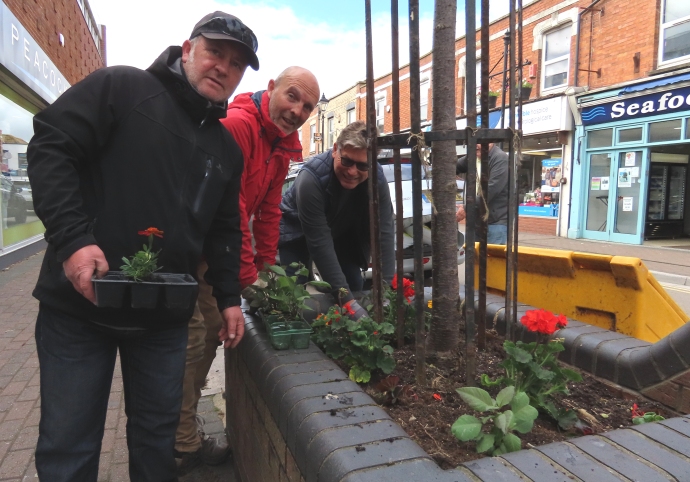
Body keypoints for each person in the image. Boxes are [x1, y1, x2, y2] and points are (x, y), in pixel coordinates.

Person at [26, 11, 258, 481]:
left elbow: (224, 229)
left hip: (163, 320)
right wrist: (72, 240)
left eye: (236, 64)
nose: (223, 68)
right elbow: (52, 146)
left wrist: (230, 298)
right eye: (215, 52)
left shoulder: (225, 148)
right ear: (188, 49)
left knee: (157, 442)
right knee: (68, 443)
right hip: (79, 308)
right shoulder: (122, 88)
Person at [174, 66, 320, 472]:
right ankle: (176, 440)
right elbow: (233, 211)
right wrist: (244, 279)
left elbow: (269, 211)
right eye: (292, 96)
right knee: (194, 340)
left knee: (205, 338)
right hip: (194, 252)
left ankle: (178, 431)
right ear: (270, 87)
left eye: (307, 106)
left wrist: (267, 269)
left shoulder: (282, 144)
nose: (298, 110)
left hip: (213, 254)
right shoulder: (239, 126)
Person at [279, 121, 395, 317]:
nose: (352, 171)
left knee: (352, 285)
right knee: (294, 295)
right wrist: (347, 302)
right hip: (295, 231)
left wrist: (385, 292)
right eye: (347, 161)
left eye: (363, 165)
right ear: (335, 150)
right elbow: (319, 241)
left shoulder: (377, 179)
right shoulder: (311, 179)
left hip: (341, 231)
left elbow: (384, 230)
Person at [455, 143, 509, 244]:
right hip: (476, 220)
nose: (475, 145)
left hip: (494, 222)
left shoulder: (500, 158)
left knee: (491, 258)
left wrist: (466, 208)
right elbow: (453, 167)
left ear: (490, 141)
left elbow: (491, 190)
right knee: (474, 258)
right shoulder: (473, 157)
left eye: (480, 141)